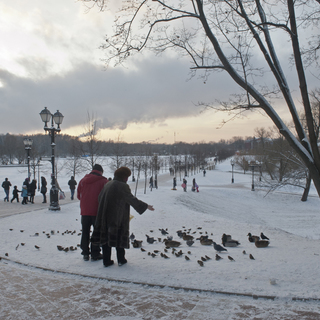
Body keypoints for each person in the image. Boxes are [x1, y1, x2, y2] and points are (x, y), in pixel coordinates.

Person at [91, 166, 155, 267]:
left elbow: (100, 198)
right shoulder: (122, 186)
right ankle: (121, 259)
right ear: (124, 176)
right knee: (118, 237)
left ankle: (106, 261)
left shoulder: (108, 183)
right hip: (116, 216)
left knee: (106, 239)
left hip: (104, 216)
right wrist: (145, 206)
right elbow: (131, 199)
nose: (127, 179)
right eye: (127, 176)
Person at [77, 164, 108, 261]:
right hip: (97, 211)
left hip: (85, 211)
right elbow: (105, 197)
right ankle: (95, 253)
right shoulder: (103, 182)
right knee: (97, 232)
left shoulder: (82, 181)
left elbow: (78, 196)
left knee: (85, 231)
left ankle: (85, 252)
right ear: (101, 171)